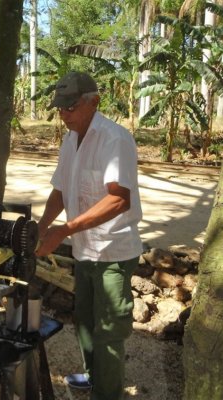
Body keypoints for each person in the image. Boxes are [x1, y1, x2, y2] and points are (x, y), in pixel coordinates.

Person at [35, 71, 143, 400]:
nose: (64, 115)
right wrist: (41, 228)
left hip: (113, 252)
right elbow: (60, 189)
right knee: (84, 322)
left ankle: (107, 393)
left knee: (108, 331)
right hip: (84, 249)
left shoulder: (115, 139)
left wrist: (64, 230)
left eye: (70, 108)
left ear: (93, 102)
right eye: (60, 109)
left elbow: (118, 198)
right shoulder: (70, 139)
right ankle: (95, 378)